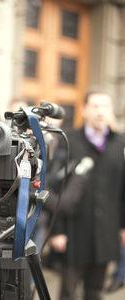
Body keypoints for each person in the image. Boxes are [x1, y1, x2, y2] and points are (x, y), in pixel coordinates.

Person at [49, 88, 125, 300]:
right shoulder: (69, 141)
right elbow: (54, 188)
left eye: (105, 106)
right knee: (68, 292)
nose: (101, 112)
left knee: (95, 291)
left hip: (105, 231)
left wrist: (123, 226)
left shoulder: (119, 143)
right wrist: (56, 231)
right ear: (84, 110)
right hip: (73, 231)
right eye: (95, 106)